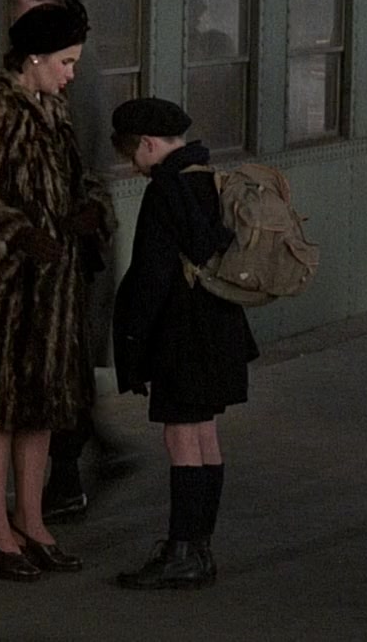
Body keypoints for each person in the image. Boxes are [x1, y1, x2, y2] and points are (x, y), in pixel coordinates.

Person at [0, 0, 113, 581]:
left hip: (52, 289)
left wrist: (90, 211)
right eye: (66, 62)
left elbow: (80, 179)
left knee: (40, 408)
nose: (71, 74)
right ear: (33, 58)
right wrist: (20, 234)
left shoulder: (52, 110)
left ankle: (32, 523)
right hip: (3, 294)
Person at [107, 98, 259, 590]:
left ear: (149, 144)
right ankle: (200, 547)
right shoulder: (208, 179)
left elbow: (151, 277)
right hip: (221, 328)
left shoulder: (166, 190)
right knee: (205, 434)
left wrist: (133, 344)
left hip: (181, 336)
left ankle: (182, 552)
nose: (135, 167)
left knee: (181, 438)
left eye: (133, 156)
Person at [8, 0, 115, 523]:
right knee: (60, 364)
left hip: (67, 244)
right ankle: (83, 463)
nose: (13, 11)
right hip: (59, 239)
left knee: (61, 364)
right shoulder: (51, 62)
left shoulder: (71, 72)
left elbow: (79, 164)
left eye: (22, 2)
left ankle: (67, 478)